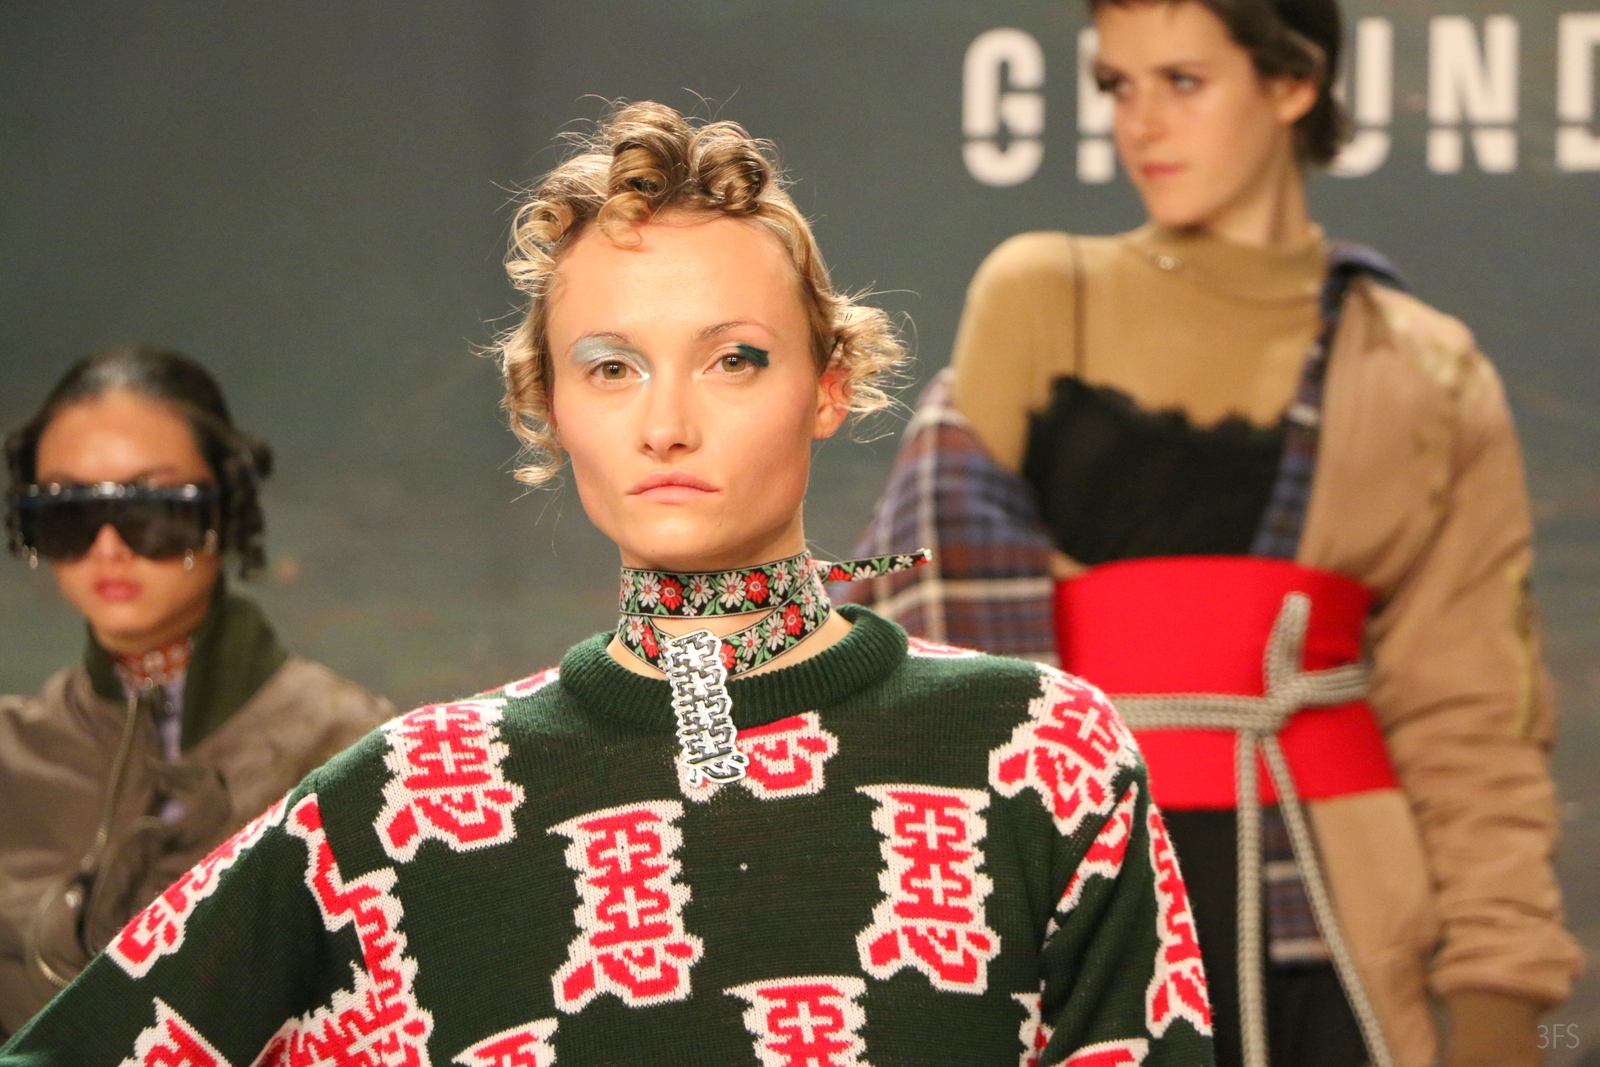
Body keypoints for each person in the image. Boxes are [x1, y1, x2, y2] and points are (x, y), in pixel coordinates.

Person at [0, 103, 1214, 1067]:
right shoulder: (411, 802)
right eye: (611, 367)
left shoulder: (1036, 754)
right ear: (544, 401)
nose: (667, 422)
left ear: (830, 384)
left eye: (734, 359)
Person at [842, 2, 1581, 1066]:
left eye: (1182, 81)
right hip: (1084, 885)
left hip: (1340, 907)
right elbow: (924, 607)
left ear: (1292, 84)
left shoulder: (1424, 367)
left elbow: (1471, 712)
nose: (1140, 123)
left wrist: (1504, 999)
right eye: (1117, 85)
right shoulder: (1043, 291)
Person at [0, 347, 394, 1037]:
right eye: (68, 511)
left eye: (153, 509)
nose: (109, 547)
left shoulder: (347, 750)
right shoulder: (11, 757)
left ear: (225, 509)